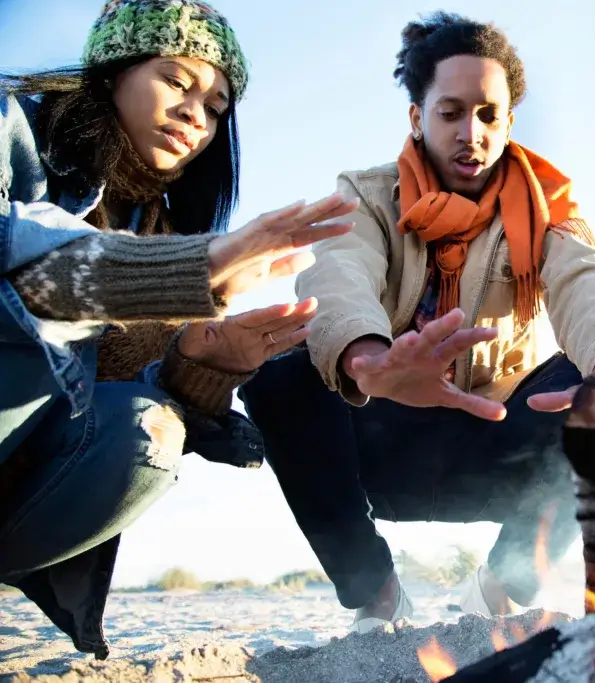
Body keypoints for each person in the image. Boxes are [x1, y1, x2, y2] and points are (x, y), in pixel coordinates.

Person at [240, 11, 595, 632]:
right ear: (417, 117)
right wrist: (367, 358)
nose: (472, 133)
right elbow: (338, 275)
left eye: (489, 114)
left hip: (497, 439)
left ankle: (501, 587)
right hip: (381, 439)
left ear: (509, 121)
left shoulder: (552, 211)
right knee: (282, 376)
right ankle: (375, 593)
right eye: (451, 112)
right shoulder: (363, 195)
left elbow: (587, 286)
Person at [0, 0, 354, 658]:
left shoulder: (165, 228)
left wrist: (200, 364)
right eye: (176, 81)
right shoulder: (7, 126)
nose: (198, 115)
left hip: (24, 484)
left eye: (217, 107)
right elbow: (18, 267)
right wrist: (190, 271)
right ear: (113, 72)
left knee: (150, 427)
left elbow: (110, 394)